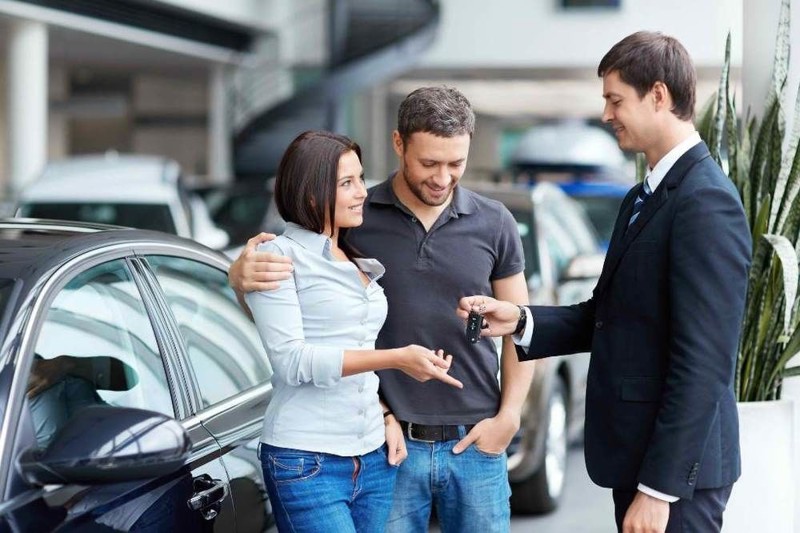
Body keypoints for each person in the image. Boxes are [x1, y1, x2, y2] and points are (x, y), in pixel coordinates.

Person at [458, 31, 751, 533]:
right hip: (638, 460)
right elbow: (608, 313)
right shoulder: (641, 196)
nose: (606, 114)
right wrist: (522, 321)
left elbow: (705, 361)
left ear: (658, 96)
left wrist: (659, 490)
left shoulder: (705, 202)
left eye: (616, 100)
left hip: (676, 479)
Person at [230, 87, 533, 532]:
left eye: (456, 164)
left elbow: (523, 328)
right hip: (389, 446)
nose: (443, 178)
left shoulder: (495, 222)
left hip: (476, 441)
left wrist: (509, 418)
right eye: (429, 163)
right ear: (398, 144)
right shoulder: (353, 214)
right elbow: (295, 297)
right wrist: (238, 278)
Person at [245, 130, 463, 533]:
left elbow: (355, 347)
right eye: (347, 183)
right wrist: (398, 358)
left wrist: (384, 415)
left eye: (360, 178)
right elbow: (292, 361)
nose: (362, 191)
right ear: (311, 194)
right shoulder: (278, 256)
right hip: (307, 458)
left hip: (373, 453)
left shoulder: (352, 255)